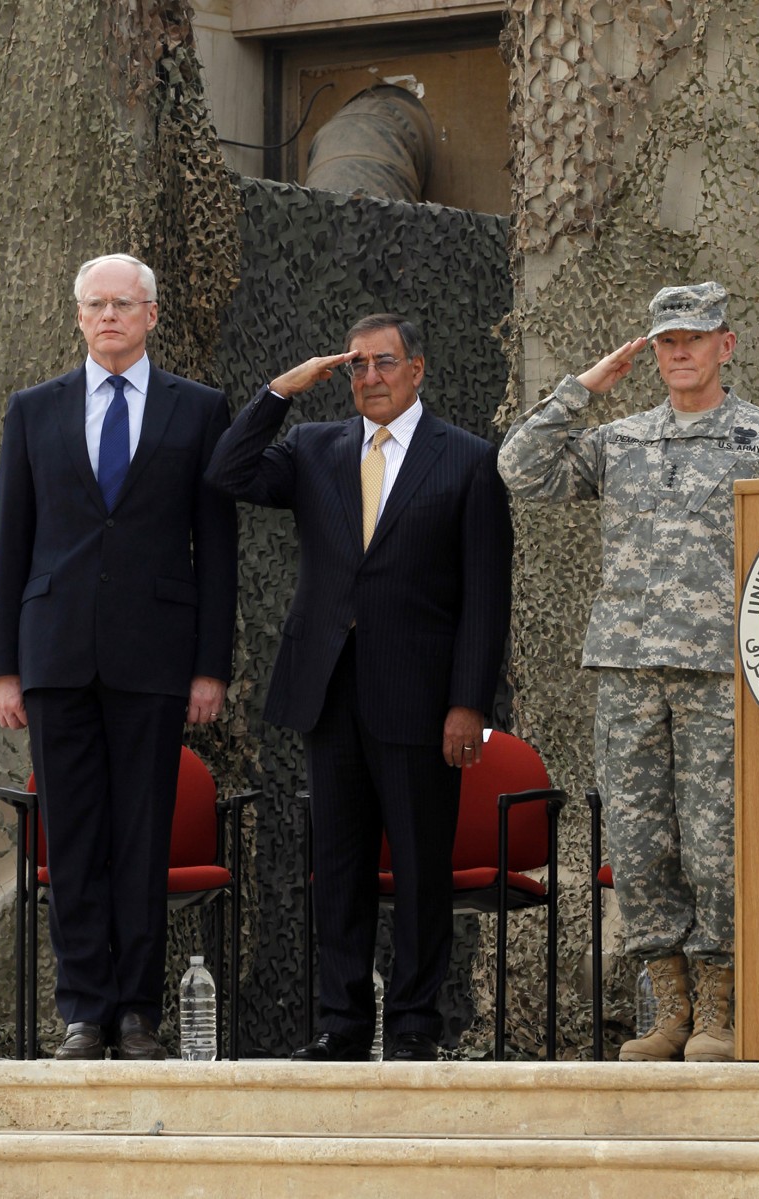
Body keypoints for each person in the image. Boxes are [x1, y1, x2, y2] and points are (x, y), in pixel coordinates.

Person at [498, 282, 759, 1062]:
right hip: (630, 669)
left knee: (716, 845)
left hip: (722, 669)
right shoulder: (623, 439)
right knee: (639, 847)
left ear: (724, 346)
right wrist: (585, 387)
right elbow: (519, 468)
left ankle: (719, 1012)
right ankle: (666, 1009)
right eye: (666, 340)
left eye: (694, 339)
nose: (679, 353)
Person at [206, 313, 512, 1061]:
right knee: (337, 868)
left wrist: (468, 702)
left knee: (418, 869)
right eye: (356, 366)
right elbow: (227, 471)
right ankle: (340, 1024)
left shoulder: (468, 459)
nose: (370, 376)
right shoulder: (315, 447)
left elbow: (486, 594)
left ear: (417, 369)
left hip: (421, 699)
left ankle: (413, 1025)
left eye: (384, 362)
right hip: (329, 693)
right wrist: (283, 388)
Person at [0, 254, 238, 1061]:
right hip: (54, 654)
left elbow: (218, 551)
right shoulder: (34, 410)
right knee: (74, 836)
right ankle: (82, 1013)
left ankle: (136, 1014)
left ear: (151, 315)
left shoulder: (198, 410)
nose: (107, 317)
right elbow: (12, 542)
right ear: (78, 315)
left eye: (122, 305)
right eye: (94, 305)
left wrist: (210, 666)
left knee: (141, 839)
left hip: (156, 659)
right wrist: (3, 667)